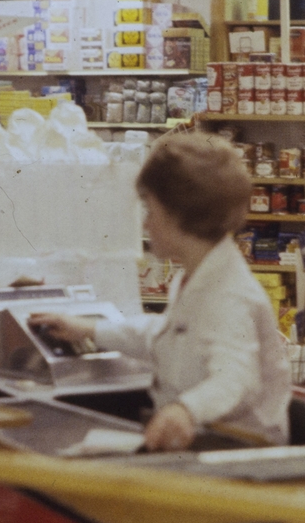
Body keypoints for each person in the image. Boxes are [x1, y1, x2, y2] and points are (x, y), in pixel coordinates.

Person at [31, 132, 291, 451]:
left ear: (179, 215)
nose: (145, 224)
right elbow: (167, 333)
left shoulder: (229, 295)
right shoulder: (199, 274)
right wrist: (89, 328)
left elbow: (235, 380)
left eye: (151, 211)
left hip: (233, 458)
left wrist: (185, 409)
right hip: (201, 443)